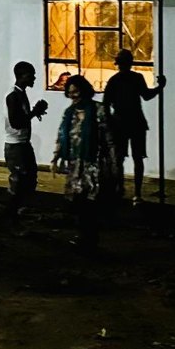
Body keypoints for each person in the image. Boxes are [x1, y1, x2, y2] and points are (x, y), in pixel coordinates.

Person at [53, 74, 112, 249]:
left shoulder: (98, 110)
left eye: (76, 91)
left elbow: (109, 139)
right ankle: (83, 236)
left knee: (91, 202)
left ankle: (90, 238)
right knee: (77, 202)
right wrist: (56, 157)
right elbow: (62, 135)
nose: (74, 96)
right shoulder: (69, 113)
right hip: (75, 165)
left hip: (92, 164)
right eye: (70, 92)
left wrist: (113, 163)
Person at [101, 50, 167, 203]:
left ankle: (126, 190)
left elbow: (106, 105)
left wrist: (159, 87)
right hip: (130, 122)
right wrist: (159, 87)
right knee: (129, 158)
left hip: (126, 122)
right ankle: (131, 192)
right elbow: (146, 95)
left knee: (124, 158)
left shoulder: (118, 80)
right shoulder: (129, 79)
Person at [3, 61, 50, 221]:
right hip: (15, 145)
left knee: (29, 178)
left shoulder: (20, 93)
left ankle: (16, 211)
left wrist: (34, 113)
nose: (34, 78)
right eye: (31, 75)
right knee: (20, 180)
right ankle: (10, 215)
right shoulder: (13, 95)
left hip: (22, 143)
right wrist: (34, 112)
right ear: (22, 76)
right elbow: (15, 122)